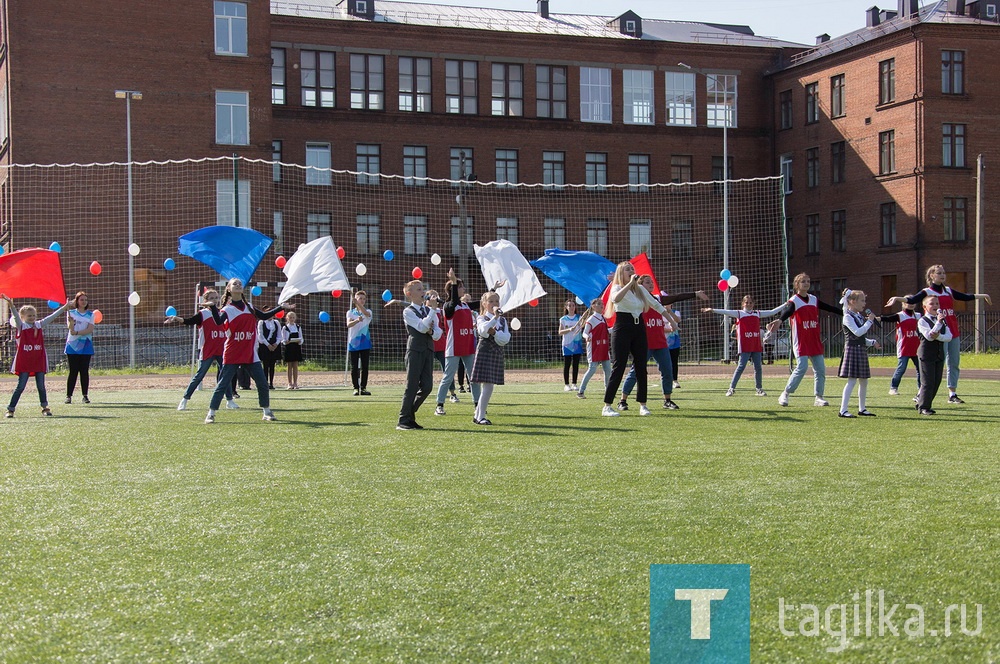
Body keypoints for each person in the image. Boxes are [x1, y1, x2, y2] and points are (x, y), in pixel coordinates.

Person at [886, 265, 991, 404]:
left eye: (943, 273)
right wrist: (897, 298)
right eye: (939, 273)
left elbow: (964, 297)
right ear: (932, 276)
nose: (942, 275)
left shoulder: (947, 290)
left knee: (954, 363)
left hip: (952, 331)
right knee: (936, 364)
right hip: (936, 331)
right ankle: (921, 394)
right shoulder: (927, 291)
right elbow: (912, 300)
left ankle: (952, 394)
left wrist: (982, 296)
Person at [204, 277, 289, 424]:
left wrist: (281, 307)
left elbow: (264, 315)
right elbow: (218, 321)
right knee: (223, 384)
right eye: (234, 284)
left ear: (243, 289)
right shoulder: (227, 309)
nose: (238, 285)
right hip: (232, 353)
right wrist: (212, 308)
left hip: (250, 353)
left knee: (262, 383)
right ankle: (211, 413)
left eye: (239, 284)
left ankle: (267, 411)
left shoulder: (249, 306)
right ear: (229, 289)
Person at [601, 262, 673, 417]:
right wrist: (630, 284)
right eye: (628, 269)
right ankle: (607, 406)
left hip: (639, 327)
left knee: (641, 367)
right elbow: (616, 299)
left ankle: (643, 404)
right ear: (621, 273)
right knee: (619, 366)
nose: (631, 271)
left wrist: (671, 320)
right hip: (622, 328)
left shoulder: (640, 290)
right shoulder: (618, 287)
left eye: (632, 269)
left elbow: (656, 305)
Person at [767, 273, 842, 407]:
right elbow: (789, 311)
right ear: (797, 285)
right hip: (801, 340)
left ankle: (819, 397)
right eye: (803, 281)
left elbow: (829, 308)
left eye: (808, 281)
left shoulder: (813, 299)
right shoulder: (794, 300)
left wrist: (846, 312)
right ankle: (785, 393)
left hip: (814, 340)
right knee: (802, 367)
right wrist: (780, 320)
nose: (806, 283)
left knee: (820, 369)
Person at [165, 289, 238, 411]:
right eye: (212, 298)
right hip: (208, 349)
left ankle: (229, 400)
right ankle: (185, 399)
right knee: (199, 375)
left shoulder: (223, 312)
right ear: (206, 301)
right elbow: (188, 321)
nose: (215, 300)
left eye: (216, 298)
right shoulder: (203, 314)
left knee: (226, 375)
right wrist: (176, 318)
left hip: (222, 349)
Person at [618, 276, 681, 411]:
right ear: (640, 285)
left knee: (667, 370)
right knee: (636, 372)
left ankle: (667, 400)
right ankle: (622, 400)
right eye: (647, 282)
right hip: (644, 343)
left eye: (652, 282)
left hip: (660, 342)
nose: (651, 284)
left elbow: (675, 299)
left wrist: (670, 324)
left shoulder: (658, 299)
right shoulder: (638, 300)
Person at [702, 295, 784, 396]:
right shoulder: (739, 313)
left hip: (756, 344)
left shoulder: (757, 313)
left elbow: (772, 312)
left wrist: (785, 304)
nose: (748, 304)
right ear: (743, 304)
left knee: (758, 367)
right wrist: (712, 310)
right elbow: (725, 311)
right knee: (741, 366)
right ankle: (731, 388)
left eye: (750, 302)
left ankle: (759, 389)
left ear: (753, 304)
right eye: (746, 302)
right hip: (745, 345)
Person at [3, 295, 70, 417]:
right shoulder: (21, 326)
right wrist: (11, 304)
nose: (32, 318)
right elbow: (16, 317)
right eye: (29, 316)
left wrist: (65, 307)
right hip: (25, 361)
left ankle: (45, 407)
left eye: (33, 315)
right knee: (20, 386)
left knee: (41, 386)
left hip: (38, 359)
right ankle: (10, 409)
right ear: (23, 317)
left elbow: (52, 317)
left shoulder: (39, 325)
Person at [434, 269, 481, 416]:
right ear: (452, 290)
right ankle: (439, 405)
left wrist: (495, 290)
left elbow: (482, 302)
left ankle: (478, 406)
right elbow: (453, 301)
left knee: (473, 378)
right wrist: (454, 281)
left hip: (468, 345)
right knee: (448, 377)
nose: (464, 289)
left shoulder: (465, 305)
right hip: (453, 347)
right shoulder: (448, 307)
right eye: (461, 287)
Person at [397, 279, 442, 430]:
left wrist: (432, 328)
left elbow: (438, 333)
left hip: (428, 350)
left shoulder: (428, 310)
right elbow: (422, 328)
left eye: (422, 289)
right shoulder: (408, 311)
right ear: (409, 294)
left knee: (427, 386)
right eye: (418, 290)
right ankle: (404, 420)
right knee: (412, 385)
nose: (423, 292)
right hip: (415, 350)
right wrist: (432, 313)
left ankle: (409, 413)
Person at [470, 289, 512, 425]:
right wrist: (494, 319)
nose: (494, 303)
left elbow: (505, 339)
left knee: (489, 386)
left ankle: (478, 415)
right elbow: (483, 331)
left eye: (496, 301)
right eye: (491, 301)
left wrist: (495, 333)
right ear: (484, 303)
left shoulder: (503, 320)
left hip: (496, 352)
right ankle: (480, 416)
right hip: (485, 352)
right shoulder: (481, 318)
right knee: (488, 386)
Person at [837, 289, 881, 417]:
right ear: (852, 301)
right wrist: (870, 321)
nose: (864, 303)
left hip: (860, 348)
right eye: (862, 300)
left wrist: (872, 342)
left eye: (864, 300)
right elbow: (857, 332)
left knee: (864, 381)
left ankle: (862, 408)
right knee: (852, 381)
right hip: (852, 350)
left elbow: (861, 337)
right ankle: (843, 410)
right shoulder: (847, 317)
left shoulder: (858, 316)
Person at [915, 295, 953, 416]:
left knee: (936, 381)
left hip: (938, 354)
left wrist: (940, 336)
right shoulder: (922, 321)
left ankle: (922, 402)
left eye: (937, 304)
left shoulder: (943, 320)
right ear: (925, 306)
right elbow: (929, 336)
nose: (935, 306)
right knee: (928, 381)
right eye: (932, 304)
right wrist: (938, 323)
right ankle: (924, 407)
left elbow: (949, 336)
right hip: (926, 354)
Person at [879, 297, 921, 398]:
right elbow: (888, 319)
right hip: (904, 347)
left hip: (917, 347)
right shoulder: (900, 315)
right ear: (903, 304)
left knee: (920, 369)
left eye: (913, 302)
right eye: (908, 302)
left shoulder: (919, 315)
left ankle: (921, 388)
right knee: (901, 368)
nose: (910, 304)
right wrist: (875, 318)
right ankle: (893, 388)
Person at [64, 291, 95, 404]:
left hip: (85, 345)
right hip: (72, 345)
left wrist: (77, 332)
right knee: (73, 371)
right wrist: (71, 323)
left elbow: (89, 329)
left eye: (85, 300)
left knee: (84, 371)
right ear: (77, 301)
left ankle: (85, 395)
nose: (84, 302)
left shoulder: (91, 315)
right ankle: (68, 396)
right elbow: (70, 328)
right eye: (81, 299)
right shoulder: (71, 313)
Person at [576, 297, 610, 400]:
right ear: (594, 306)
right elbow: (585, 333)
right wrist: (587, 337)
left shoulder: (603, 318)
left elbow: (607, 331)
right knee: (592, 369)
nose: (602, 306)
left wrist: (618, 328)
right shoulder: (591, 319)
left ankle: (608, 390)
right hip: (594, 347)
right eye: (599, 304)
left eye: (602, 304)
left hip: (604, 347)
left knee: (608, 370)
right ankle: (581, 391)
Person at [346, 290, 373, 396]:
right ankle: (355, 388)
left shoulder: (369, 311)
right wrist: (357, 320)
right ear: (355, 300)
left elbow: (366, 313)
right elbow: (348, 324)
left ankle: (363, 387)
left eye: (363, 299)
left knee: (365, 367)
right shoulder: (350, 312)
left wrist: (358, 305)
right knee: (354, 367)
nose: (362, 300)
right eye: (359, 298)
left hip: (365, 342)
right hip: (353, 343)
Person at [558, 299, 584, 391]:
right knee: (567, 364)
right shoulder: (563, 319)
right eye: (569, 306)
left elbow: (583, 326)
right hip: (567, 344)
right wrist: (569, 330)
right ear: (566, 307)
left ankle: (574, 383)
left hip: (577, 343)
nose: (572, 307)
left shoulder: (579, 317)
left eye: (573, 305)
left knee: (576, 364)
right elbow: (560, 332)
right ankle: (566, 384)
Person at [257, 312, 283, 390]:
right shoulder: (261, 322)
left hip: (274, 345)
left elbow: (279, 335)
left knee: (272, 365)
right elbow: (260, 335)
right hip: (265, 346)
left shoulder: (276, 322)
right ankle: (265, 382)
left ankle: (271, 383)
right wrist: (268, 345)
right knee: (265, 365)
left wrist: (276, 344)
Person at [281, 311, 303, 389]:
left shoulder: (298, 327)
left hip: (296, 347)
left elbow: (301, 338)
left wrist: (299, 341)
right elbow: (283, 339)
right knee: (289, 366)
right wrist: (285, 342)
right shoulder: (285, 328)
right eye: (290, 317)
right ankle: (289, 383)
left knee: (295, 366)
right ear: (287, 318)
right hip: (289, 347)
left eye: (293, 317)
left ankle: (296, 383)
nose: (292, 319)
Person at [666, 308, 682, 389]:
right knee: (664, 363)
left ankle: (675, 380)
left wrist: (670, 312)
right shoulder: (659, 311)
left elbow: (678, 320)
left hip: (674, 341)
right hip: (663, 340)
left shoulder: (676, 312)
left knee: (674, 361)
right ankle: (666, 380)